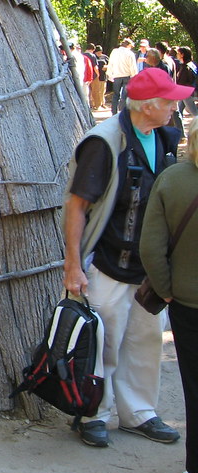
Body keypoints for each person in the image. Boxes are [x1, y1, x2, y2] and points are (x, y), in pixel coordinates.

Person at [63, 66, 193, 447]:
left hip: (149, 266)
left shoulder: (167, 135)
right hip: (107, 261)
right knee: (103, 337)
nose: (175, 106)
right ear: (147, 106)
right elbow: (77, 205)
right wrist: (73, 263)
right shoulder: (104, 143)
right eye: (169, 101)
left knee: (145, 337)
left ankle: (139, 412)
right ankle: (93, 413)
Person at [140, 120, 198, 473]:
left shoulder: (174, 180)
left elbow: (151, 248)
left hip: (189, 304)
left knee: (194, 388)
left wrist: (167, 290)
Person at [107, 38, 138, 114]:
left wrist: (110, 74)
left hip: (117, 76)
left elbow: (110, 63)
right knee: (124, 96)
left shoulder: (114, 52)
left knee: (116, 95)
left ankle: (114, 112)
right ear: (129, 45)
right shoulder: (130, 53)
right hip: (127, 76)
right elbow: (133, 67)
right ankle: (122, 112)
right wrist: (134, 77)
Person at [178, 46, 198, 119]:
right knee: (178, 110)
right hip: (187, 91)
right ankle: (179, 128)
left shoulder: (186, 67)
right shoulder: (191, 64)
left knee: (194, 113)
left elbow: (182, 81)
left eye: (178, 53)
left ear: (182, 54)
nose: (177, 55)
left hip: (186, 92)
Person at [85, 43, 103, 111]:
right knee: (95, 90)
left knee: (88, 91)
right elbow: (95, 67)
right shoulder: (93, 56)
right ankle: (97, 105)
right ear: (93, 49)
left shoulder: (82, 55)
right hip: (93, 75)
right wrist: (98, 74)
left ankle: (89, 104)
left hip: (85, 76)